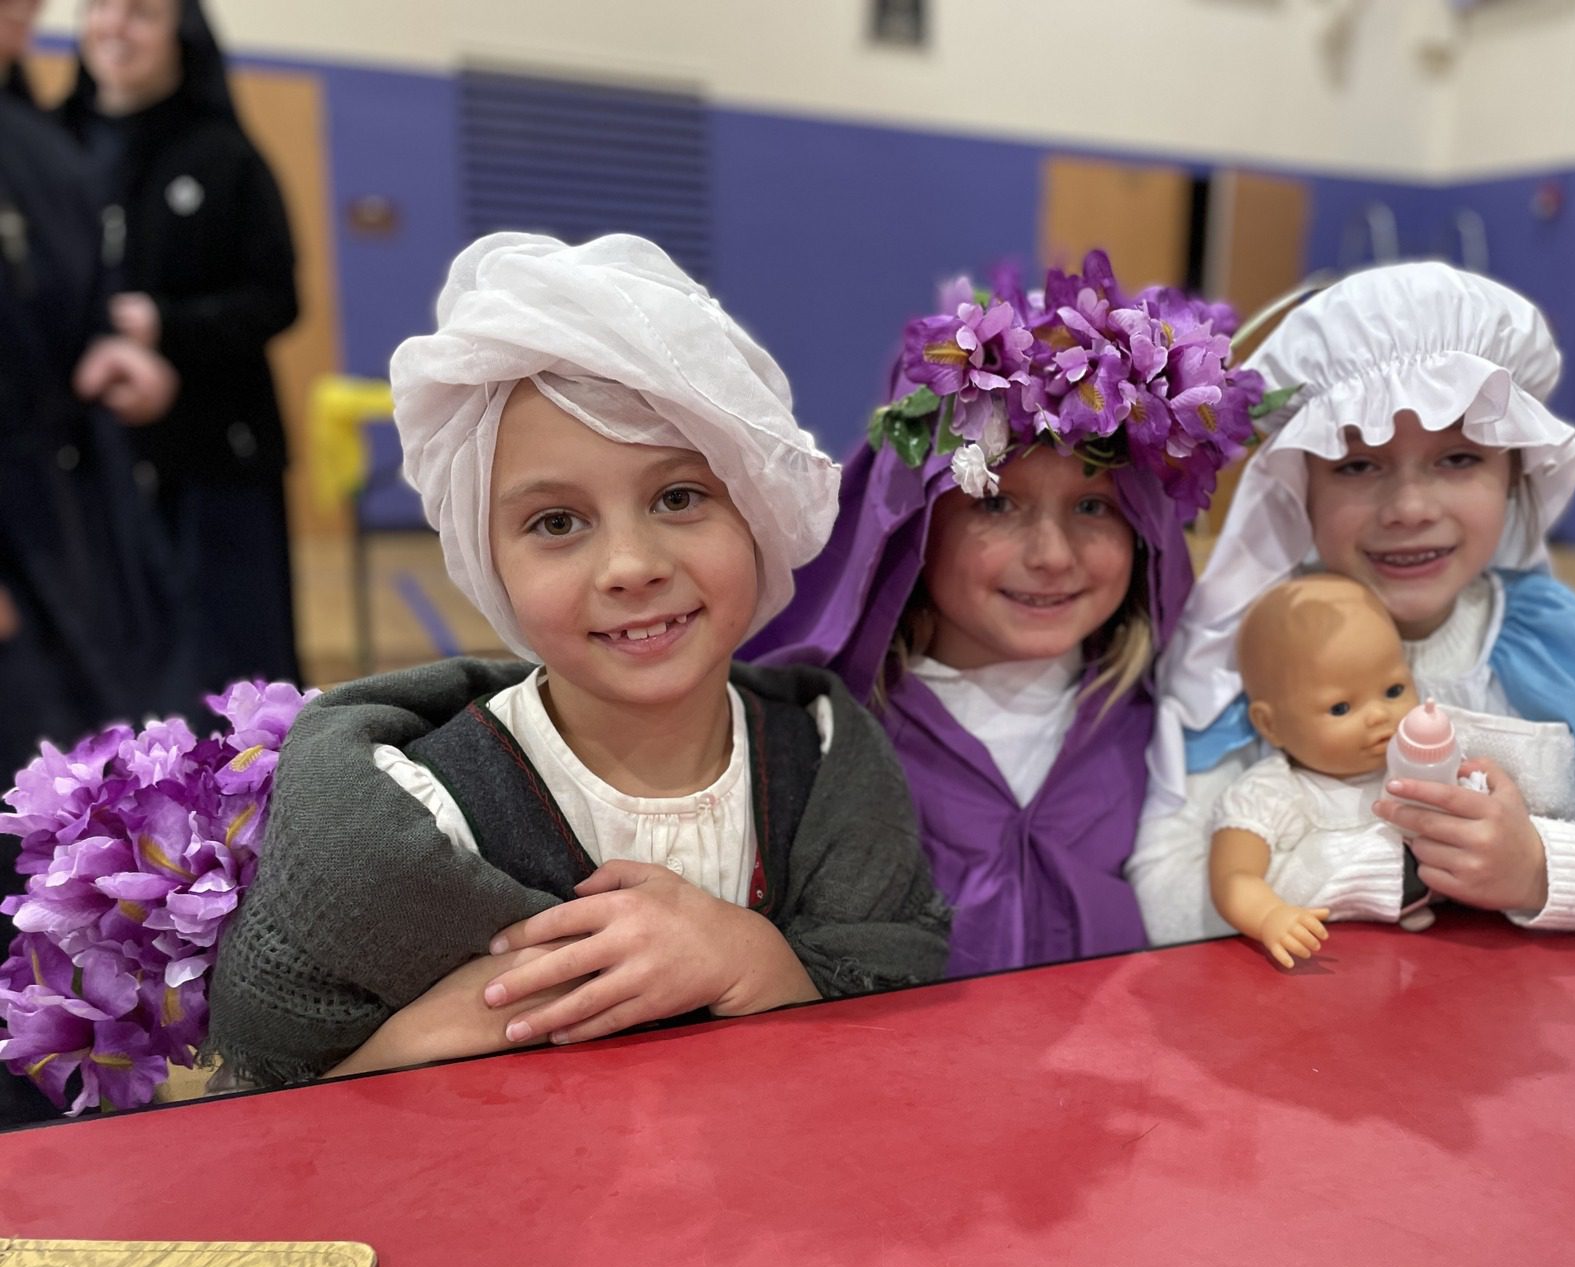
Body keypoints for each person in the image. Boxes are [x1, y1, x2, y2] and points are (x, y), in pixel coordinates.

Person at [205, 234, 950, 1088]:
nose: (631, 565)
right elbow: (272, 1112)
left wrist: (755, 962)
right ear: (490, 561)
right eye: (557, 522)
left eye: (679, 497)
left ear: (759, 509)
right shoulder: (413, 815)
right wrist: (421, 1044)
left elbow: (887, 1041)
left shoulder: (828, 764)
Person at [1135, 262, 1575, 945]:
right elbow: (1166, 896)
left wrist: (1541, 869)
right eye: (1357, 465)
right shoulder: (1247, 652)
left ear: (1515, 473)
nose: (1409, 508)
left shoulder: (1547, 642)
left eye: (1458, 459)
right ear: (1297, 489)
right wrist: (1387, 871)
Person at [748, 252, 1268, 977]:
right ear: (918, 528)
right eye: (997, 504)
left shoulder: (1177, 725)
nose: (1052, 555)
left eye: (1094, 507)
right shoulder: (831, 736)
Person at [1, 0, 178, 1124]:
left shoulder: (41, 142)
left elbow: (59, 330)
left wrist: (124, 364)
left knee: (81, 811)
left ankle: (88, 1089)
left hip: (75, 526)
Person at [62, 0, 301, 699]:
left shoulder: (225, 155)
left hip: (214, 462)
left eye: (142, 12)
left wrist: (165, 325)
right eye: (99, 7)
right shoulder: (52, 146)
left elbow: (276, 299)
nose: (116, 26)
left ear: (179, 35)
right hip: (86, 465)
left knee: (230, 673)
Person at [1210, 574, 1575, 966]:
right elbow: (1233, 877)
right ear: (1270, 725)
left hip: (1428, 951)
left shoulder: (1415, 765)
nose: (1379, 716)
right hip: (1323, 953)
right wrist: (1271, 916)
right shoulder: (1273, 792)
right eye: (1341, 707)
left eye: (1393, 690)